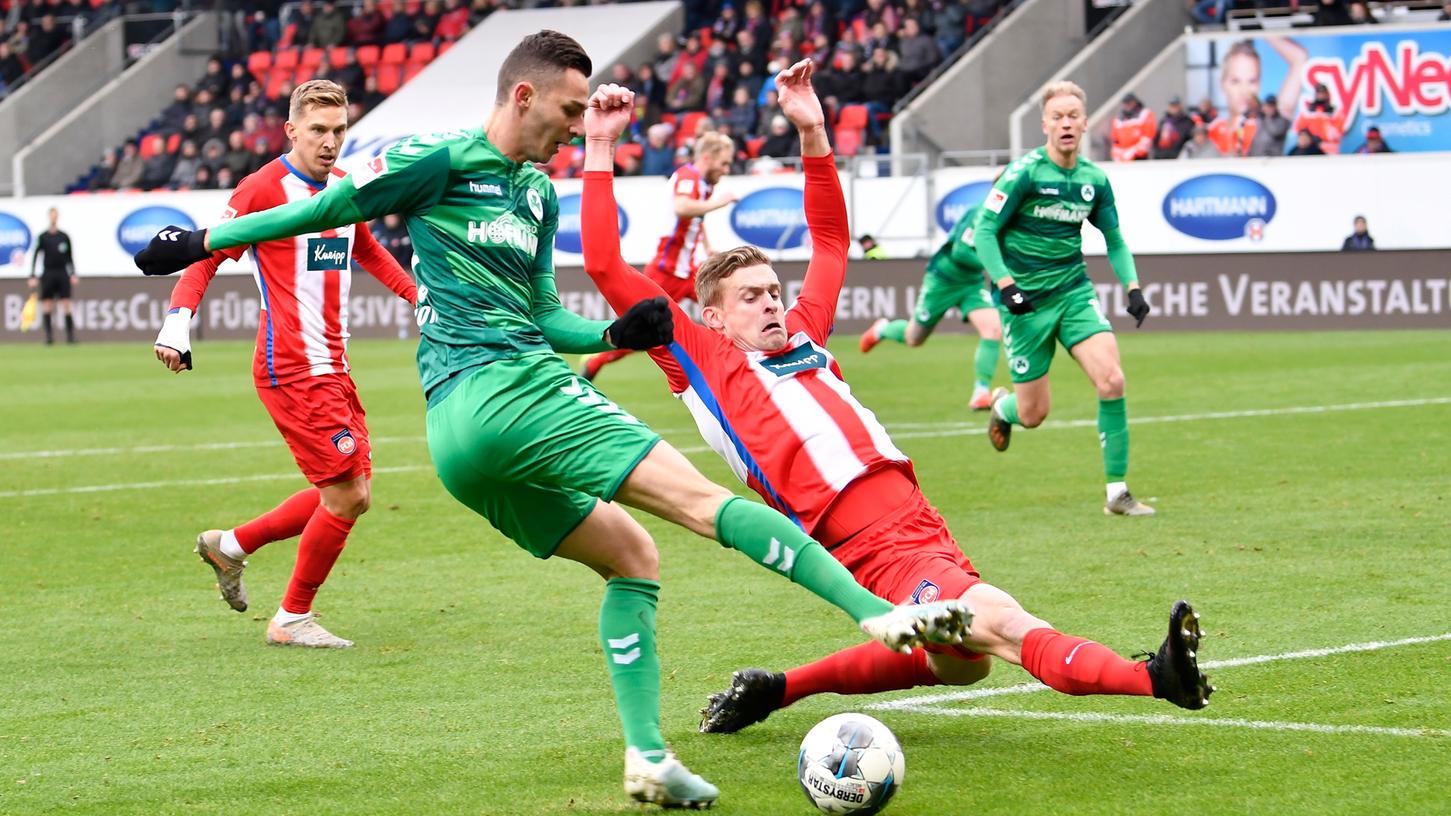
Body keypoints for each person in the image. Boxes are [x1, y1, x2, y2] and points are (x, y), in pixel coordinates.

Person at [134, 32, 971, 809]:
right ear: (524, 95)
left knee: (632, 557)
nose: (576, 129)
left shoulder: (536, 193)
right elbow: (322, 210)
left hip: (468, 432)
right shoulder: (438, 159)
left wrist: (609, 334)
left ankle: (646, 756)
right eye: (571, 112)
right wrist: (206, 236)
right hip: (503, 393)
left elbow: (542, 313)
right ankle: (876, 614)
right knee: (701, 502)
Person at [576, 63, 1213, 735]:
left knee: (963, 665)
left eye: (772, 290)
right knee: (996, 620)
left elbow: (828, 240)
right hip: (861, 538)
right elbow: (603, 265)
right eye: (750, 297)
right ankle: (1153, 676)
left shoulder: (802, 331)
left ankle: (777, 688)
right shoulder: (699, 357)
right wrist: (597, 148)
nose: (769, 303)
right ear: (712, 318)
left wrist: (814, 131)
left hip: (915, 515)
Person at [149, 80, 416, 649]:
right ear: (291, 130)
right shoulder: (263, 187)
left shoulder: (345, 187)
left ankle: (231, 545)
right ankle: (292, 618)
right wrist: (178, 318)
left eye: (339, 130)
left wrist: (417, 296)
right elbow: (206, 255)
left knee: (352, 493)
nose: (330, 141)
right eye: (318, 130)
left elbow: (367, 248)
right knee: (346, 496)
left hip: (333, 365)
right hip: (291, 365)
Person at [974, 81, 1155, 516]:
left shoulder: (1093, 180)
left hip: (1073, 293)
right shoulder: (1025, 173)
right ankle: (1003, 406)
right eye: (1057, 117)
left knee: (1112, 380)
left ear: (1085, 122)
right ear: (1045, 125)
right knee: (1034, 413)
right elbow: (984, 231)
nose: (1066, 123)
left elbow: (1114, 238)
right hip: (1024, 304)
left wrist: (1132, 285)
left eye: (1073, 115)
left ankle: (1118, 493)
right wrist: (1005, 285)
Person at [582, 132, 737, 382]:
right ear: (707, 158)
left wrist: (708, 246)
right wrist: (720, 202)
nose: (726, 169)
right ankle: (596, 361)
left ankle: (738, 365)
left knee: (728, 307)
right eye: (724, 163)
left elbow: (695, 218)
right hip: (666, 272)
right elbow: (682, 207)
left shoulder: (704, 184)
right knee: (641, 330)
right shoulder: (688, 177)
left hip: (689, 271)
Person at [859, 204, 1002, 411]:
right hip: (943, 278)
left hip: (972, 283)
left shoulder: (1012, 216)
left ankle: (980, 393)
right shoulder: (981, 213)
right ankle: (882, 329)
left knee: (993, 329)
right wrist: (995, 264)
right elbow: (961, 251)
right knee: (914, 338)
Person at [1209, 38, 1307, 157]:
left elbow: (1299, 57)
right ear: (1223, 83)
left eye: (1252, 81)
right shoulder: (1213, 129)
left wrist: (1264, 32)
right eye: (1235, 81)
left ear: (1259, 84)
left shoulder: (1270, 123)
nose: (1244, 91)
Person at [28, 207, 77, 345]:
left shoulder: (64, 236)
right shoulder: (43, 237)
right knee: (47, 304)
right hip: (48, 273)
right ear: (49, 217)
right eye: (52, 215)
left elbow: (70, 257)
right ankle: (49, 337)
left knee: (66, 304)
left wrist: (72, 273)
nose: (54, 218)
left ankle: (70, 336)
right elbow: (36, 255)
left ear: (58, 217)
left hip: (62, 273)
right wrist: (32, 275)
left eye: (55, 215)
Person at [1109, 93, 1154, 162]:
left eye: (1129, 103)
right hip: (1123, 158)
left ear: (1135, 102)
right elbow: (1115, 140)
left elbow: (1147, 137)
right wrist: (1118, 154)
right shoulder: (1119, 119)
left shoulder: (1144, 115)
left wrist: (1133, 151)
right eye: (1126, 103)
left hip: (1140, 157)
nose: (1127, 106)